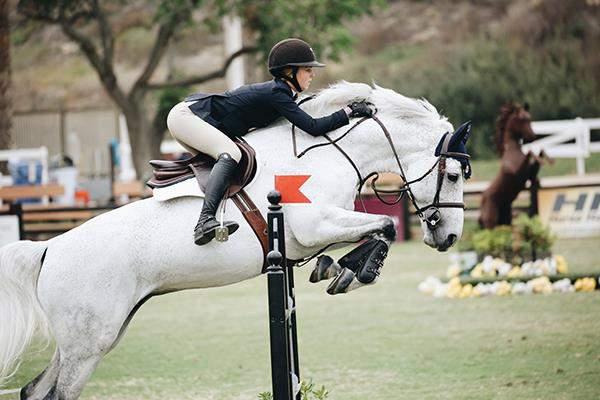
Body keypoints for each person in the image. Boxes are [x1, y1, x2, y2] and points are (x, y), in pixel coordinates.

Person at [166, 38, 374, 246]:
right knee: (231, 154)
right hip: (187, 116)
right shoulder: (277, 93)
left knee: (233, 160)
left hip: (199, 118)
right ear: (289, 71)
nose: (312, 74)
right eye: (307, 69)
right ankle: (205, 221)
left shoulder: (283, 94)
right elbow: (313, 127)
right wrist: (349, 112)